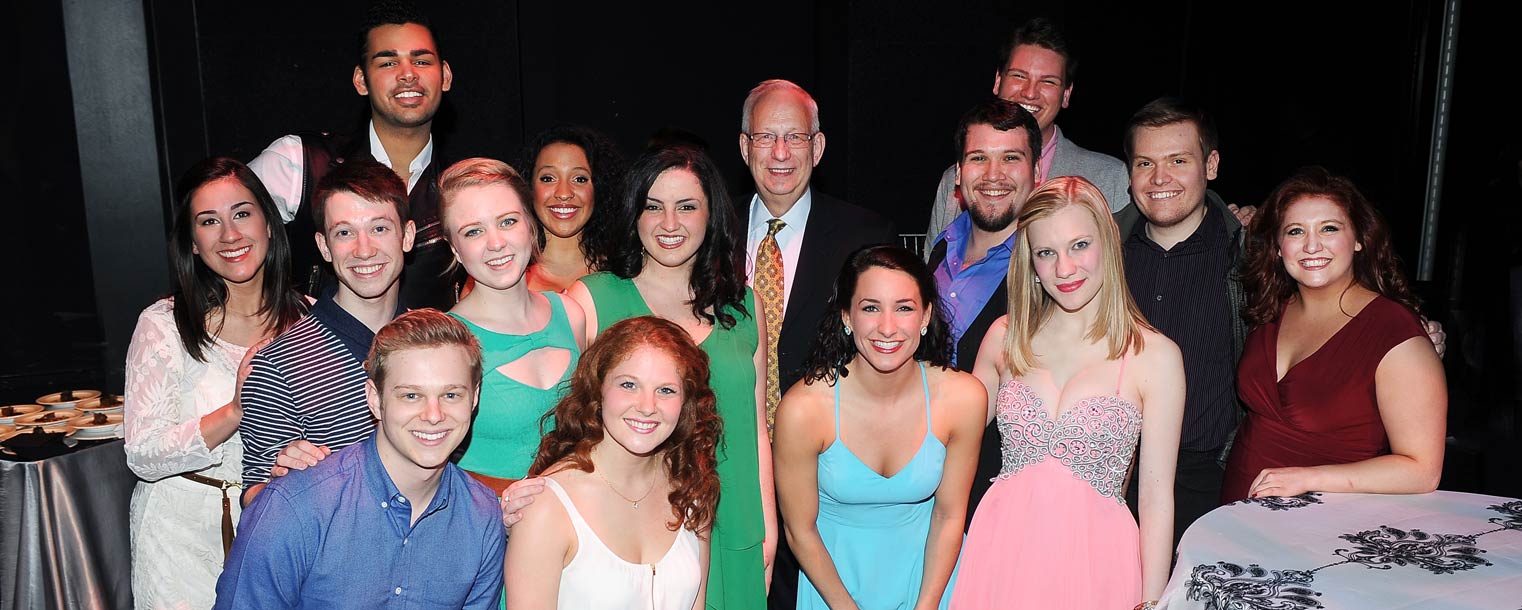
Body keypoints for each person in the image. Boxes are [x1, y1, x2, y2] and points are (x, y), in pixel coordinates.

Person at [954, 176, 1184, 609]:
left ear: (1109, 244)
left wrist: (1152, 602)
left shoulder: (1155, 356)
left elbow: (1155, 499)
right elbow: (944, 439)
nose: (1064, 269)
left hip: (1098, 564)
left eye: (1079, 245)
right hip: (1000, 555)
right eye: (1046, 252)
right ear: (1030, 262)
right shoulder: (1005, 338)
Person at [569, 145, 776, 610]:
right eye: (653, 206)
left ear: (711, 215)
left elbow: (755, 426)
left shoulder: (744, 308)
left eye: (686, 207)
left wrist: (766, 524)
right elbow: (574, 425)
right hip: (637, 529)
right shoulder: (591, 300)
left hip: (735, 521)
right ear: (633, 213)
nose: (669, 223)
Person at [213, 309, 506, 609]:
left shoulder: (481, 518)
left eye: (451, 395)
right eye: (411, 396)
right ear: (375, 399)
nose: (434, 416)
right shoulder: (297, 506)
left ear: (474, 398)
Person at [123, 157, 309, 609]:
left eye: (242, 213)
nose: (230, 234)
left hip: (281, 533)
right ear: (192, 242)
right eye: (209, 221)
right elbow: (143, 455)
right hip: (178, 537)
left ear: (269, 223)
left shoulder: (310, 318)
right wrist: (237, 409)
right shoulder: (164, 324)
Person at [773, 245, 984, 610]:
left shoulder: (962, 398)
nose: (887, 327)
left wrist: (927, 604)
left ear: (925, 316)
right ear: (847, 317)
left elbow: (950, 516)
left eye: (904, 308)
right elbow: (799, 531)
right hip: (833, 589)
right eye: (870, 308)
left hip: (931, 584)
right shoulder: (804, 409)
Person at [1221, 167, 1447, 501]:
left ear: (1358, 239)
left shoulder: (1393, 331)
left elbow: (1422, 471)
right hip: (1236, 509)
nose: (1312, 245)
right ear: (1279, 246)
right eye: (1296, 231)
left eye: (1329, 228)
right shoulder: (1271, 309)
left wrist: (1309, 479)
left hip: (1323, 523)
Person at [248, 1, 456, 309]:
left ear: (445, 76)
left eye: (422, 61)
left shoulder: (461, 188)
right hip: (314, 354)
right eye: (388, 63)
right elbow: (220, 234)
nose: (408, 74)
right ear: (361, 80)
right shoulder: (301, 162)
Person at [504, 316, 722, 609]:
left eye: (666, 390)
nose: (647, 407)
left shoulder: (690, 487)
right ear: (598, 389)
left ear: (685, 402)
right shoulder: (546, 506)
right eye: (629, 385)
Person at [238, 160, 414, 505]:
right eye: (345, 233)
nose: (364, 249)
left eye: (379, 229)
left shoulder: (438, 342)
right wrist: (284, 485)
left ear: (406, 236)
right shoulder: (277, 365)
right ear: (324, 246)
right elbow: (254, 499)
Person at [735, 79, 896, 435]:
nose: (780, 152)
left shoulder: (866, 238)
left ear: (818, 147)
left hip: (835, 447)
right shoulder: (711, 233)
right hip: (729, 450)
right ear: (745, 147)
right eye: (765, 137)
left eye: (795, 137)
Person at [439, 157, 587, 492]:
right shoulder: (447, 342)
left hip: (573, 521)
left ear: (530, 226)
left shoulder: (571, 313)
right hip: (487, 529)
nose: (495, 243)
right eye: (474, 231)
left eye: (507, 222)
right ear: (456, 250)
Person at [923, 17, 1130, 253]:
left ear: (1066, 95)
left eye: (1048, 82)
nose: (1030, 93)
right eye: (1019, 76)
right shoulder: (955, 180)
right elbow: (931, 277)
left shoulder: (1110, 180)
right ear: (998, 81)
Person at [926, 97, 1039, 526]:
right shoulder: (941, 247)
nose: (993, 175)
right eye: (978, 158)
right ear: (958, 173)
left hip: (999, 508)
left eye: (1011, 158)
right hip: (924, 495)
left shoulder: (1050, 271)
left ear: (1036, 171)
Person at [520, 125, 626, 292]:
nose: (564, 193)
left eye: (579, 179)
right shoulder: (503, 280)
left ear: (598, 188)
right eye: (548, 178)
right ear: (529, 187)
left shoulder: (627, 275)